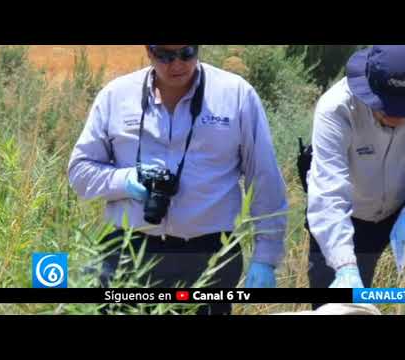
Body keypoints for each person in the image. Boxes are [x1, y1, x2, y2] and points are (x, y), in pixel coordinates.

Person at [68, 45, 287, 315]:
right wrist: (126, 181)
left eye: (187, 53)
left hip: (208, 256)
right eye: (166, 56)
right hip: (127, 252)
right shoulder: (116, 95)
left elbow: (264, 178)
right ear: (149, 51)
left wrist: (265, 258)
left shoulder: (236, 95)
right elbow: (79, 171)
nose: (177, 64)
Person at [305, 45, 405, 315]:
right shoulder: (336, 108)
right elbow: (327, 194)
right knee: (337, 306)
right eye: (387, 107)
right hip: (353, 211)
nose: (396, 117)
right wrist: (344, 266)